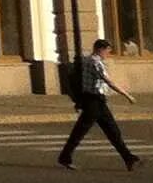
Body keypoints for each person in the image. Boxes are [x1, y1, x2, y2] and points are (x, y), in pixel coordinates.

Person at [59, 38, 141, 170]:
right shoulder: (95, 63)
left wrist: (78, 101)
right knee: (80, 131)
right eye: (107, 51)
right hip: (94, 101)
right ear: (100, 49)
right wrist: (127, 95)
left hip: (96, 101)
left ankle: (128, 157)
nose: (108, 54)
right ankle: (64, 157)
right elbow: (109, 82)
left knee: (112, 130)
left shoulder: (86, 60)